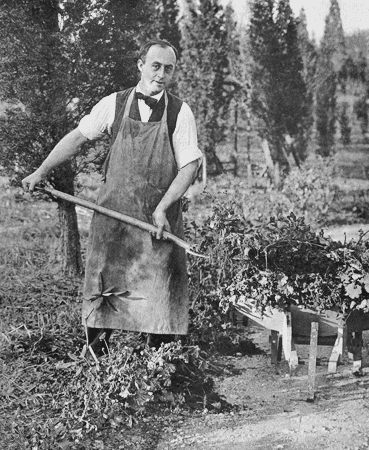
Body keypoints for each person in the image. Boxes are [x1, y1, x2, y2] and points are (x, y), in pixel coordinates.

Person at [22, 39, 203, 353]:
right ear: (140, 65)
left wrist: (162, 208)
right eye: (155, 66)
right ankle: (96, 362)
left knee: (159, 295)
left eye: (168, 69)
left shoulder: (179, 112)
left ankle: (157, 369)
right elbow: (78, 137)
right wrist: (41, 170)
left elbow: (189, 167)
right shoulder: (114, 104)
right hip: (113, 218)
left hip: (157, 221)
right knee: (104, 290)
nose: (161, 74)